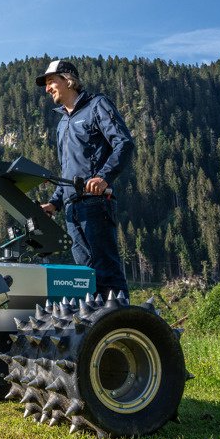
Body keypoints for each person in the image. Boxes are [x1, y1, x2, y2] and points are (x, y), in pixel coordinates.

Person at [36, 59, 132, 300]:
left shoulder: (97, 105)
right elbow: (67, 170)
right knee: (85, 275)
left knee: (105, 270)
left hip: (95, 202)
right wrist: (54, 203)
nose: (48, 89)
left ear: (68, 80)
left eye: (51, 81)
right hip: (71, 209)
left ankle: (122, 328)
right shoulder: (61, 124)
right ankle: (97, 330)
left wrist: (103, 177)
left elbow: (124, 143)